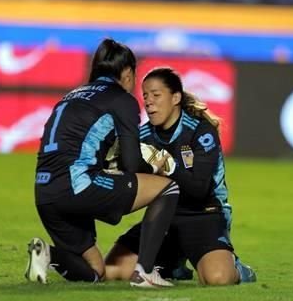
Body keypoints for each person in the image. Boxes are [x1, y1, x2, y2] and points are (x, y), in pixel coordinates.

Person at [25, 38, 179, 288]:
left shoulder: (71, 95)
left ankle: (47, 255)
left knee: (95, 271)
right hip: (77, 185)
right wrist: (154, 166)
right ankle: (145, 272)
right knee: (168, 188)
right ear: (127, 73)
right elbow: (131, 164)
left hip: (44, 192)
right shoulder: (122, 100)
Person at [104, 67, 257, 286]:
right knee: (112, 270)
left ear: (175, 97)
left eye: (156, 95)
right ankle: (171, 265)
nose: (148, 102)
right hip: (163, 219)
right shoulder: (143, 137)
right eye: (145, 96)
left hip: (203, 215)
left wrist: (166, 166)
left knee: (218, 278)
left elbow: (199, 189)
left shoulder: (200, 132)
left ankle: (240, 270)